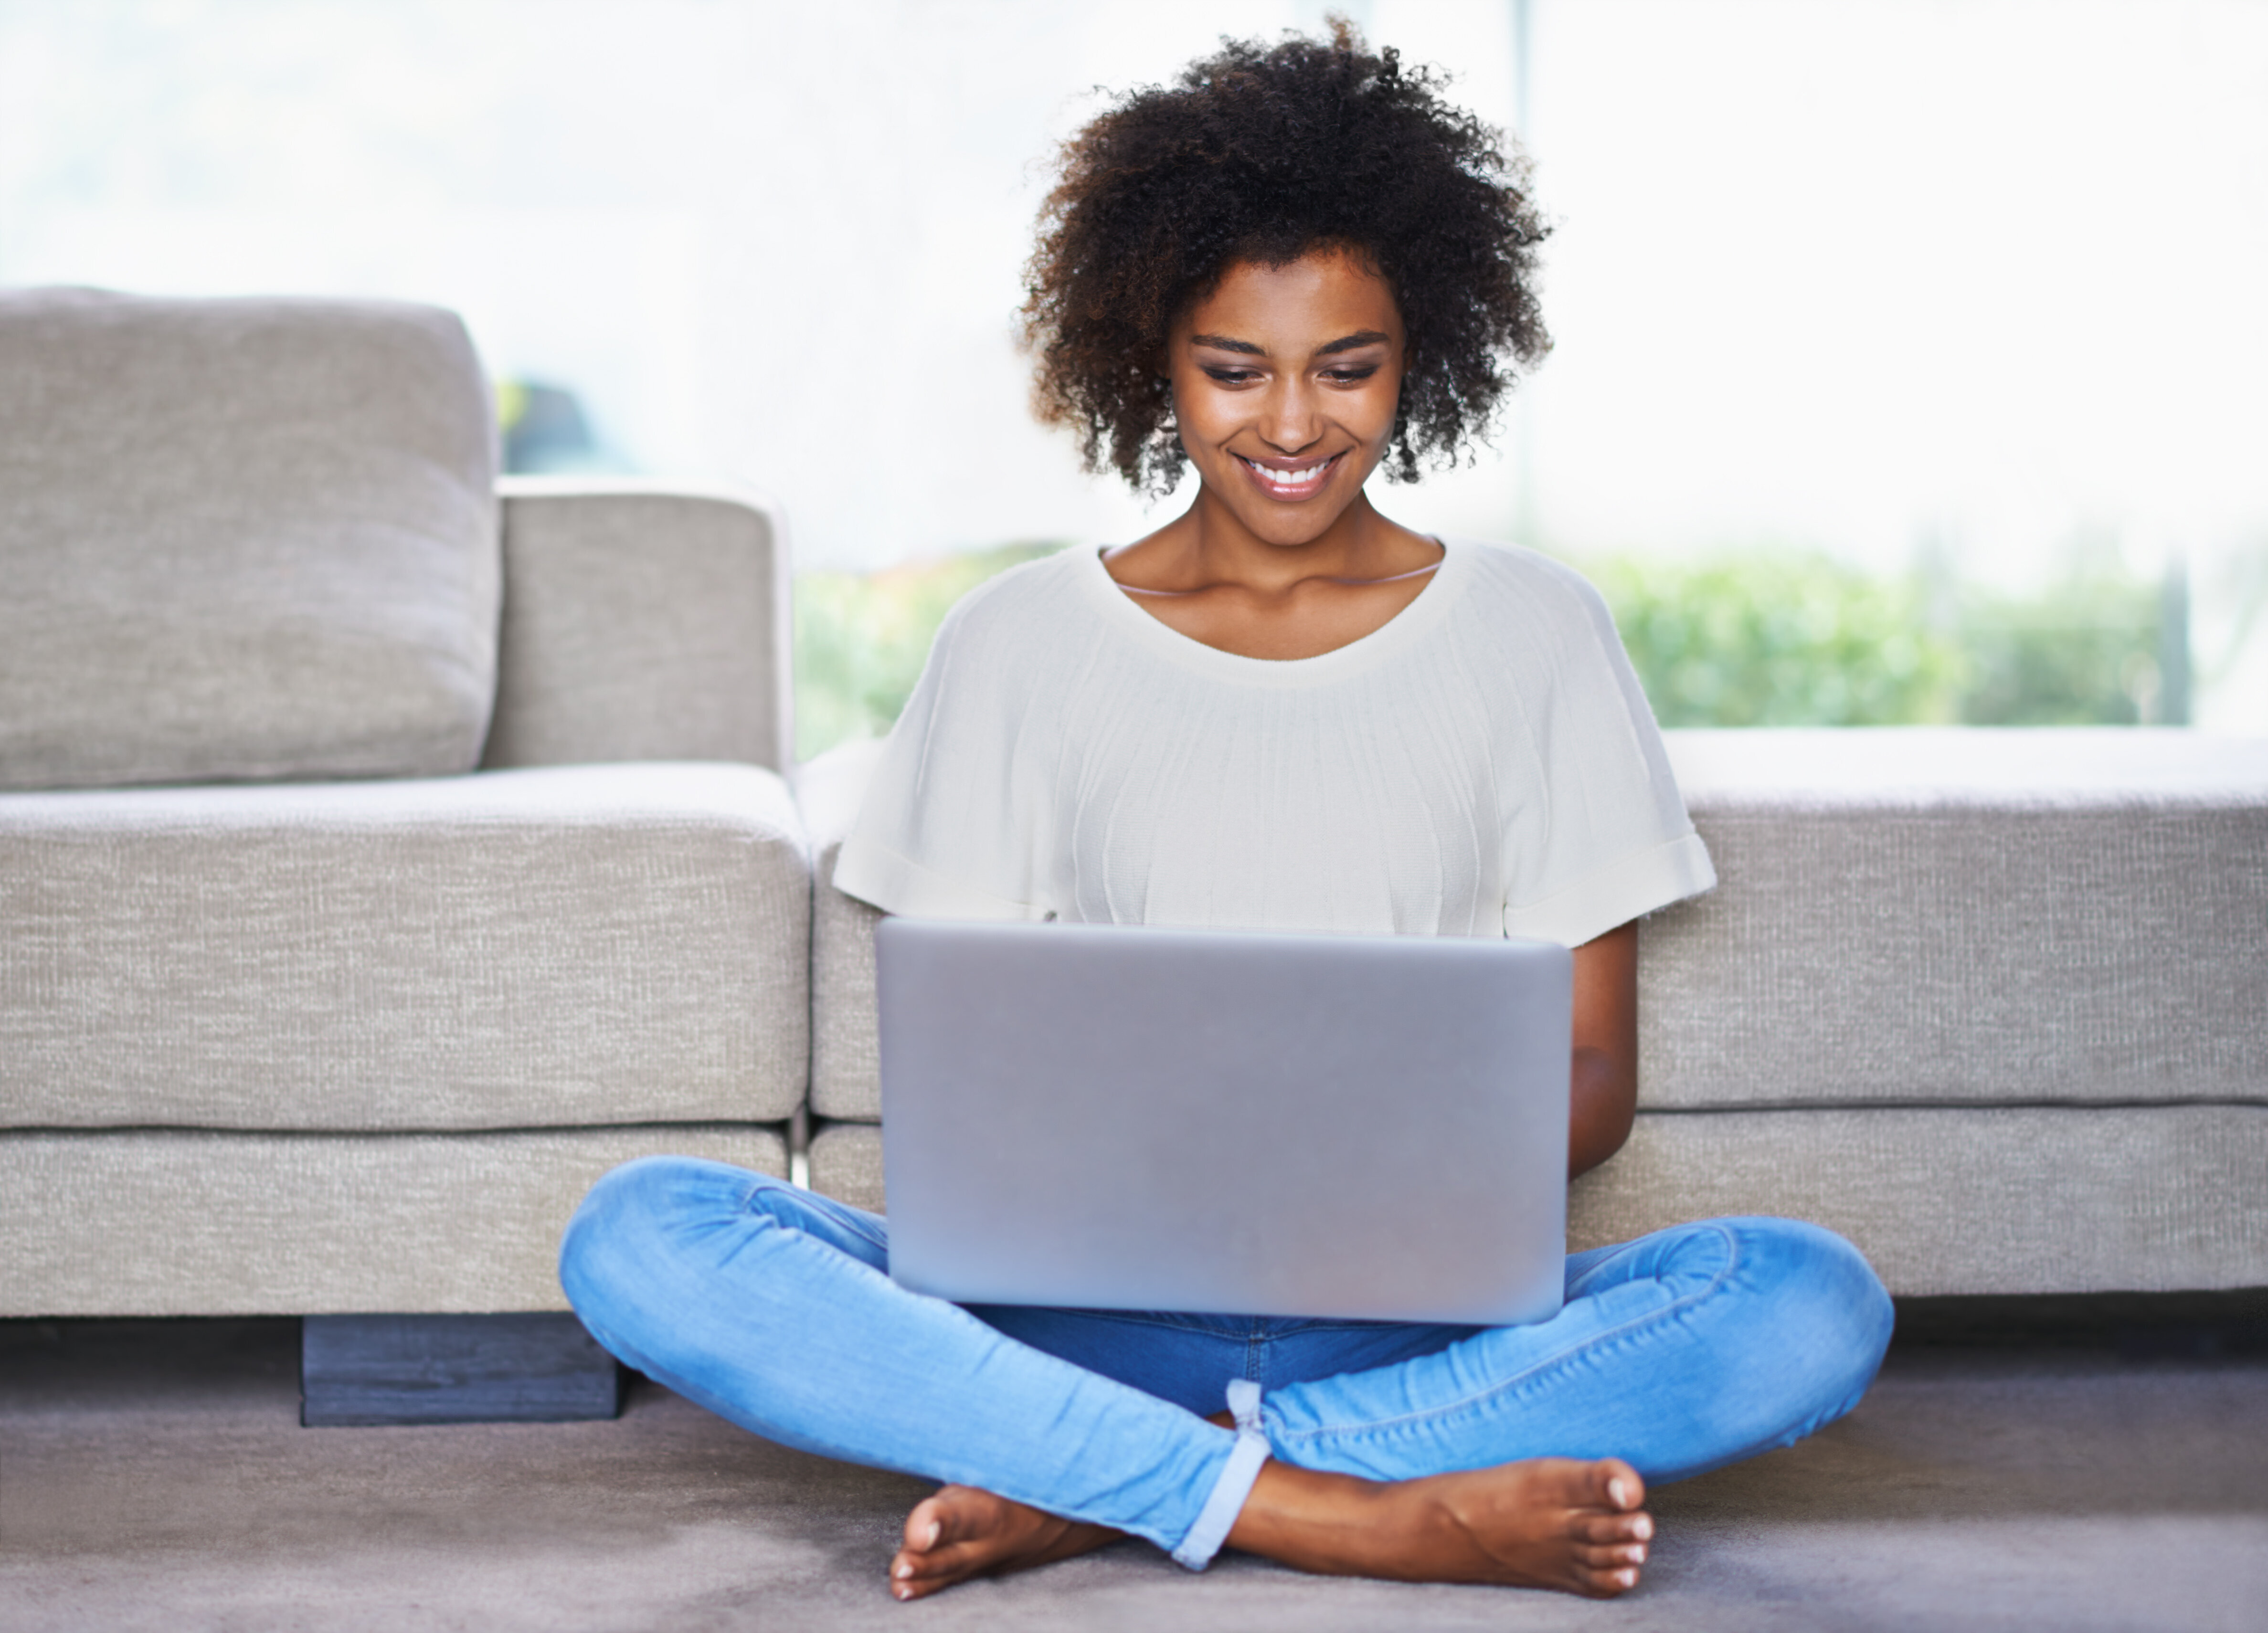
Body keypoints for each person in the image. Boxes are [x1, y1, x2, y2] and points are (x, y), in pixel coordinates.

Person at [559, 23, 1892, 1602]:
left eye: (1349, 366)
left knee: (1808, 1302)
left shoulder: (1537, 633)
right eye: (1233, 368)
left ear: (1425, 354)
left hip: (1420, 1302)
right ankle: (1343, 1503)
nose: (1291, 426)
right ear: (1152, 359)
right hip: (1083, 1302)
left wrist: (1379, 1173)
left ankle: (1104, 1474)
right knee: (641, 1233)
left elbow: (1594, 1076)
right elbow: (967, 1089)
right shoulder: (1018, 643)